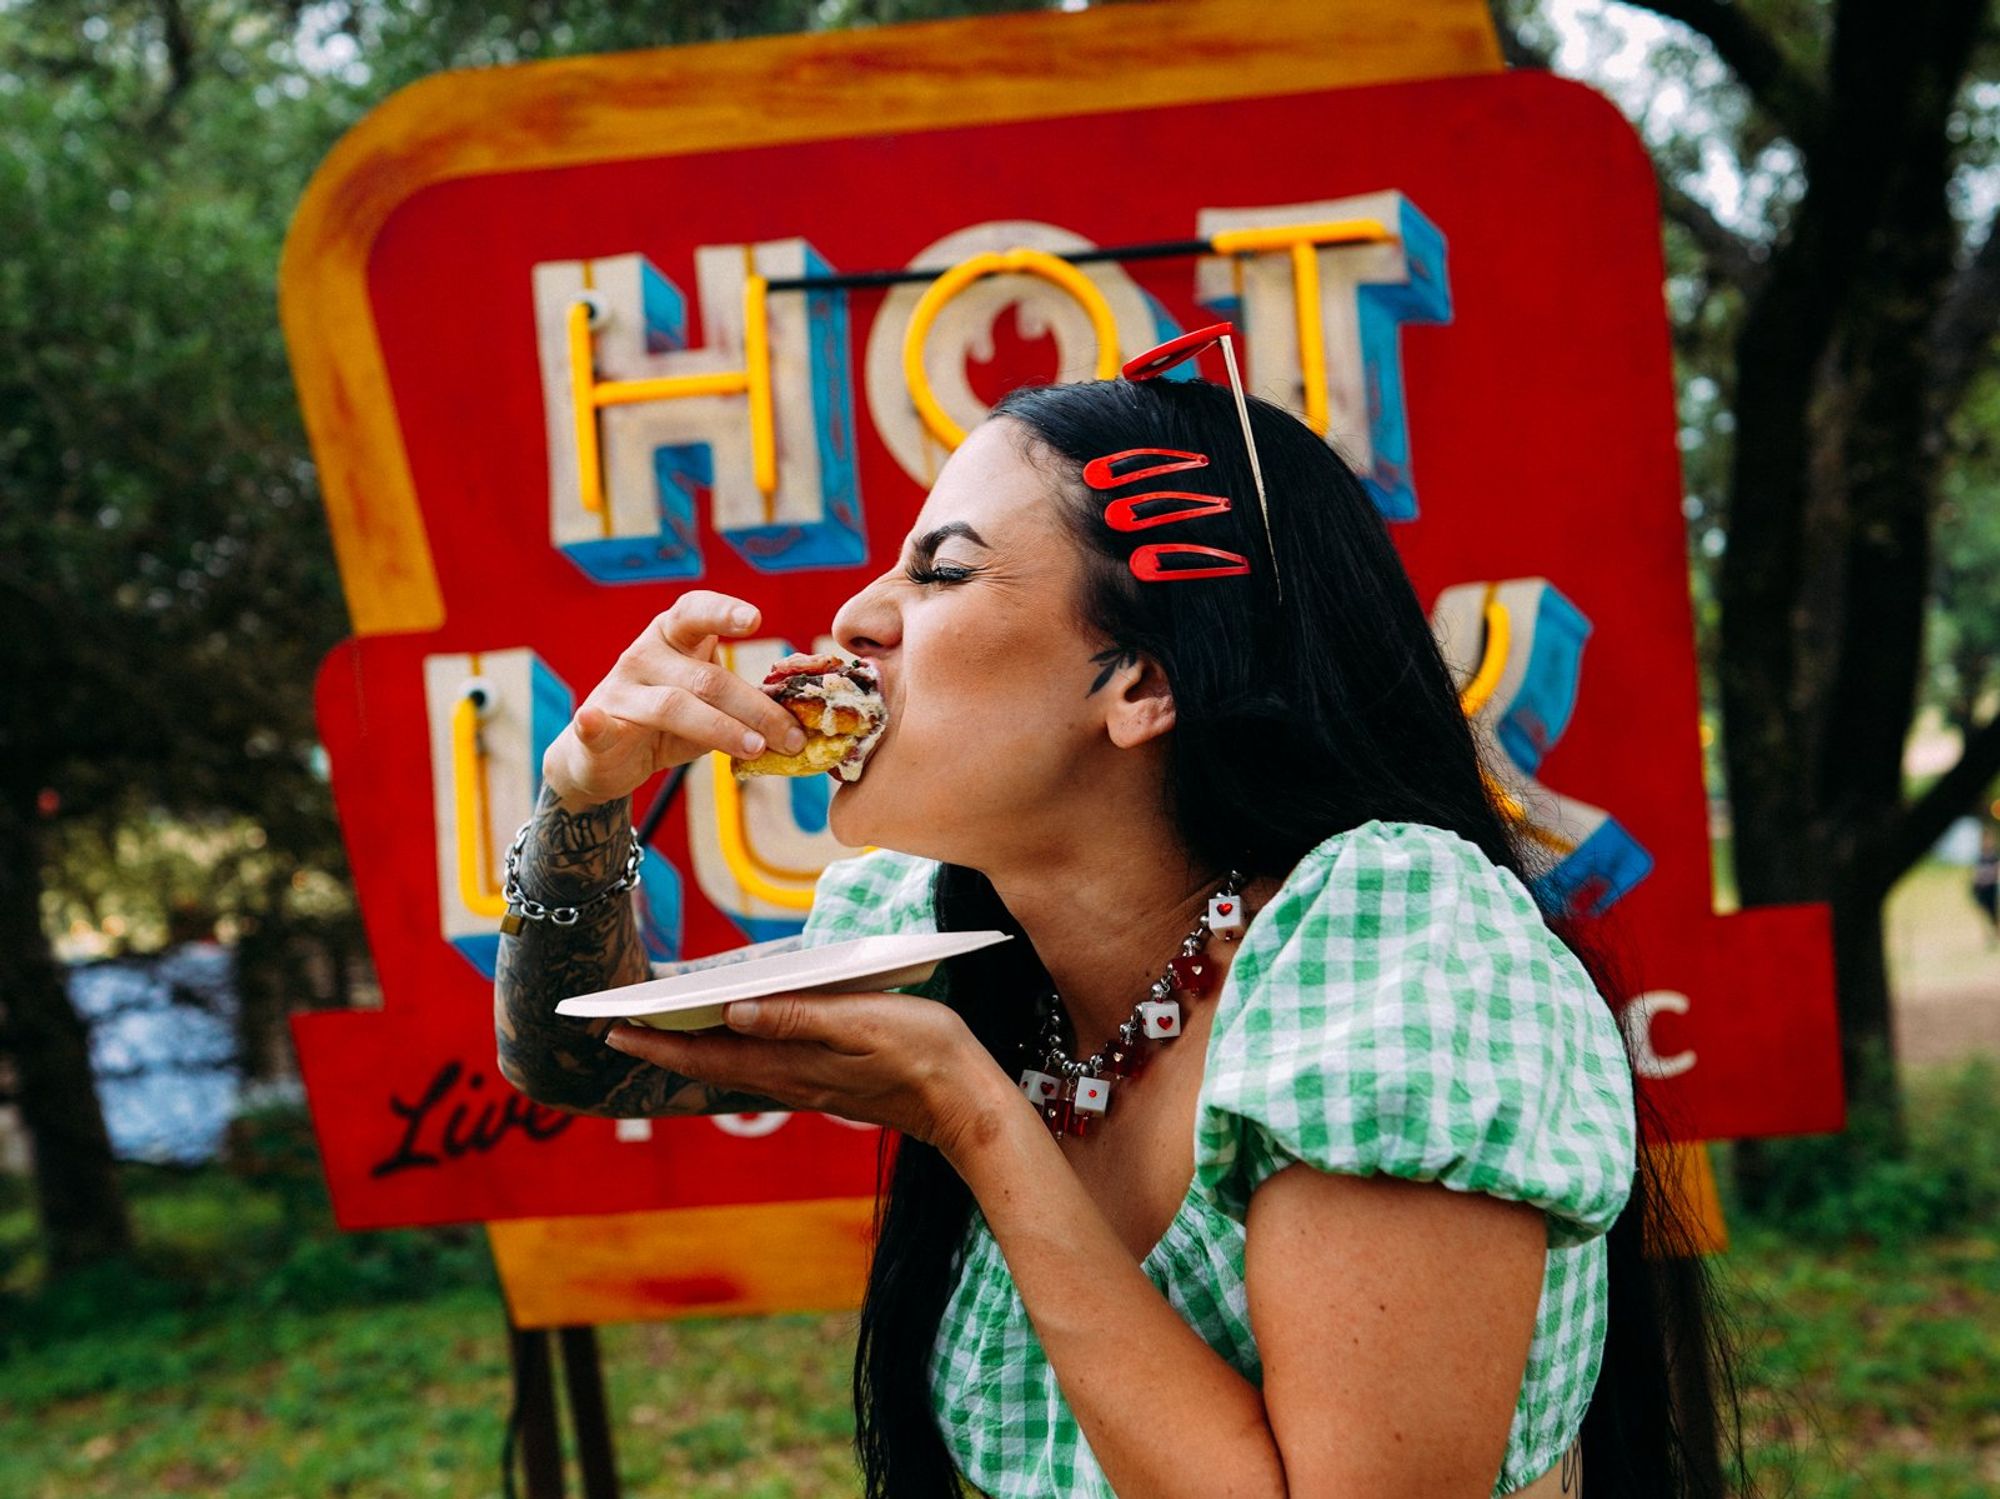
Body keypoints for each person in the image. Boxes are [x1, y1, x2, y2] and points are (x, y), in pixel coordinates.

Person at [495, 362, 1741, 1498]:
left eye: (938, 571)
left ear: (1141, 682)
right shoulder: (949, 932)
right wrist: (582, 798)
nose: (858, 619)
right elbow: (581, 1057)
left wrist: (975, 1116)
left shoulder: (1389, 948)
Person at [1974, 823, 1999, 947]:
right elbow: (1977, 875)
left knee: (1994, 915)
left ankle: (1996, 936)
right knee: (1986, 916)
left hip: (1992, 889)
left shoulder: (1993, 857)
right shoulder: (1980, 857)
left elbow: (1995, 871)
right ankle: (1990, 938)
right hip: (1982, 890)